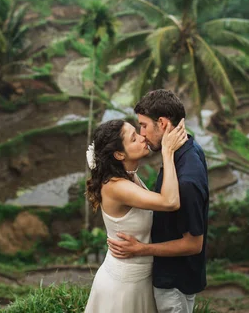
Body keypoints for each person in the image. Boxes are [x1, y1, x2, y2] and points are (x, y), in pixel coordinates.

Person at [107, 89, 210, 313]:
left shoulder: (185, 181)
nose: (142, 134)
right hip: (171, 276)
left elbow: (194, 244)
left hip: (174, 282)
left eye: (143, 126)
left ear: (162, 123)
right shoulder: (188, 150)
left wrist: (141, 249)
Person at [84, 118, 188, 313]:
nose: (142, 138)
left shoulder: (129, 176)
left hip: (139, 280)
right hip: (122, 287)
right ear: (119, 154)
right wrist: (167, 152)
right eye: (134, 139)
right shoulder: (116, 187)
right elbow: (170, 202)